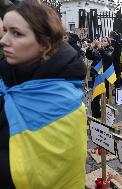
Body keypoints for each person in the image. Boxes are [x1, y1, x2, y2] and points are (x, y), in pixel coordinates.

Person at [0, 1, 87, 188]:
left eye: (17, 33)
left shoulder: (64, 100)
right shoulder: (6, 82)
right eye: (5, 30)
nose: (4, 40)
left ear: (44, 42)